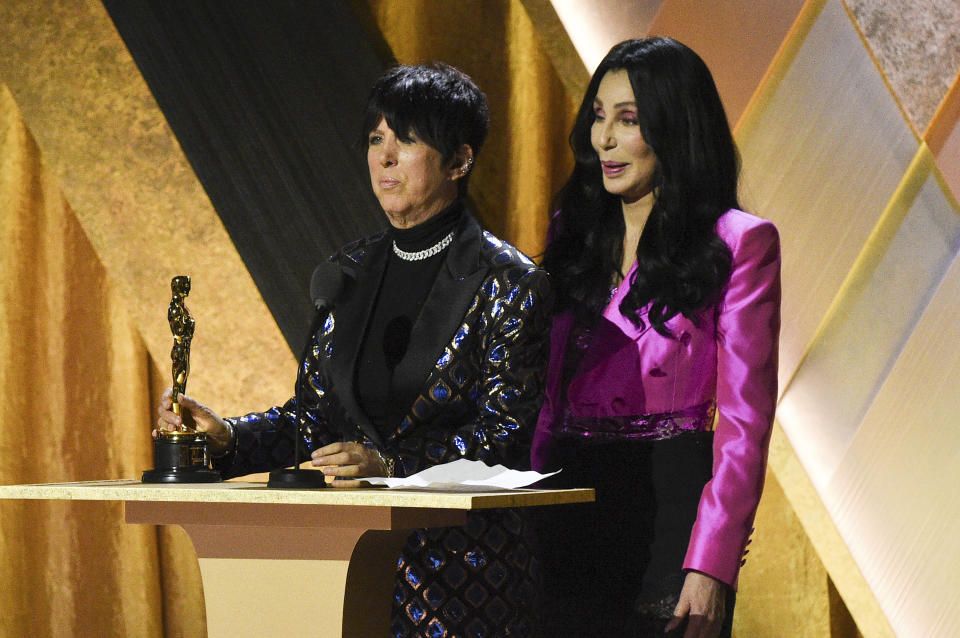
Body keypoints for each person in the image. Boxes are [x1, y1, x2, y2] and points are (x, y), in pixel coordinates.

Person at [156, 63, 552, 637]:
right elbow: (315, 417)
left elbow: (504, 438)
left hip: (464, 584)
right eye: (376, 139)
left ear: (460, 160)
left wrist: (392, 469)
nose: (384, 158)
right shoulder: (349, 273)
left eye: (408, 140)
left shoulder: (507, 282)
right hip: (347, 572)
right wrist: (230, 437)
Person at [531, 37, 780, 638]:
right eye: (597, 116)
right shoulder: (575, 233)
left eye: (628, 119)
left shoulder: (740, 241)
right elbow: (544, 399)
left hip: (670, 510)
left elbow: (747, 425)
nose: (604, 140)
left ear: (674, 126)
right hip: (564, 505)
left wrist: (711, 565)